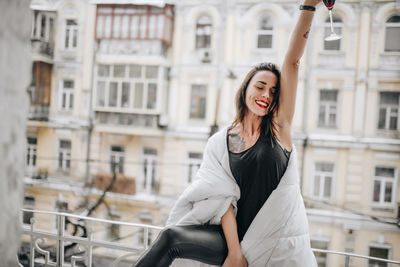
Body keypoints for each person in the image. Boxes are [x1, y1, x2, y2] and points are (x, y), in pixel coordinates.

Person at [134, 1, 321, 266]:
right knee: (170, 238)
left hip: (275, 241)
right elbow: (223, 201)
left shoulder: (280, 128)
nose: (266, 95)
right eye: (260, 86)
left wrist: (308, 7)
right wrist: (234, 253)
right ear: (245, 89)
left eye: (273, 91)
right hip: (235, 239)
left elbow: (292, 61)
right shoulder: (221, 142)